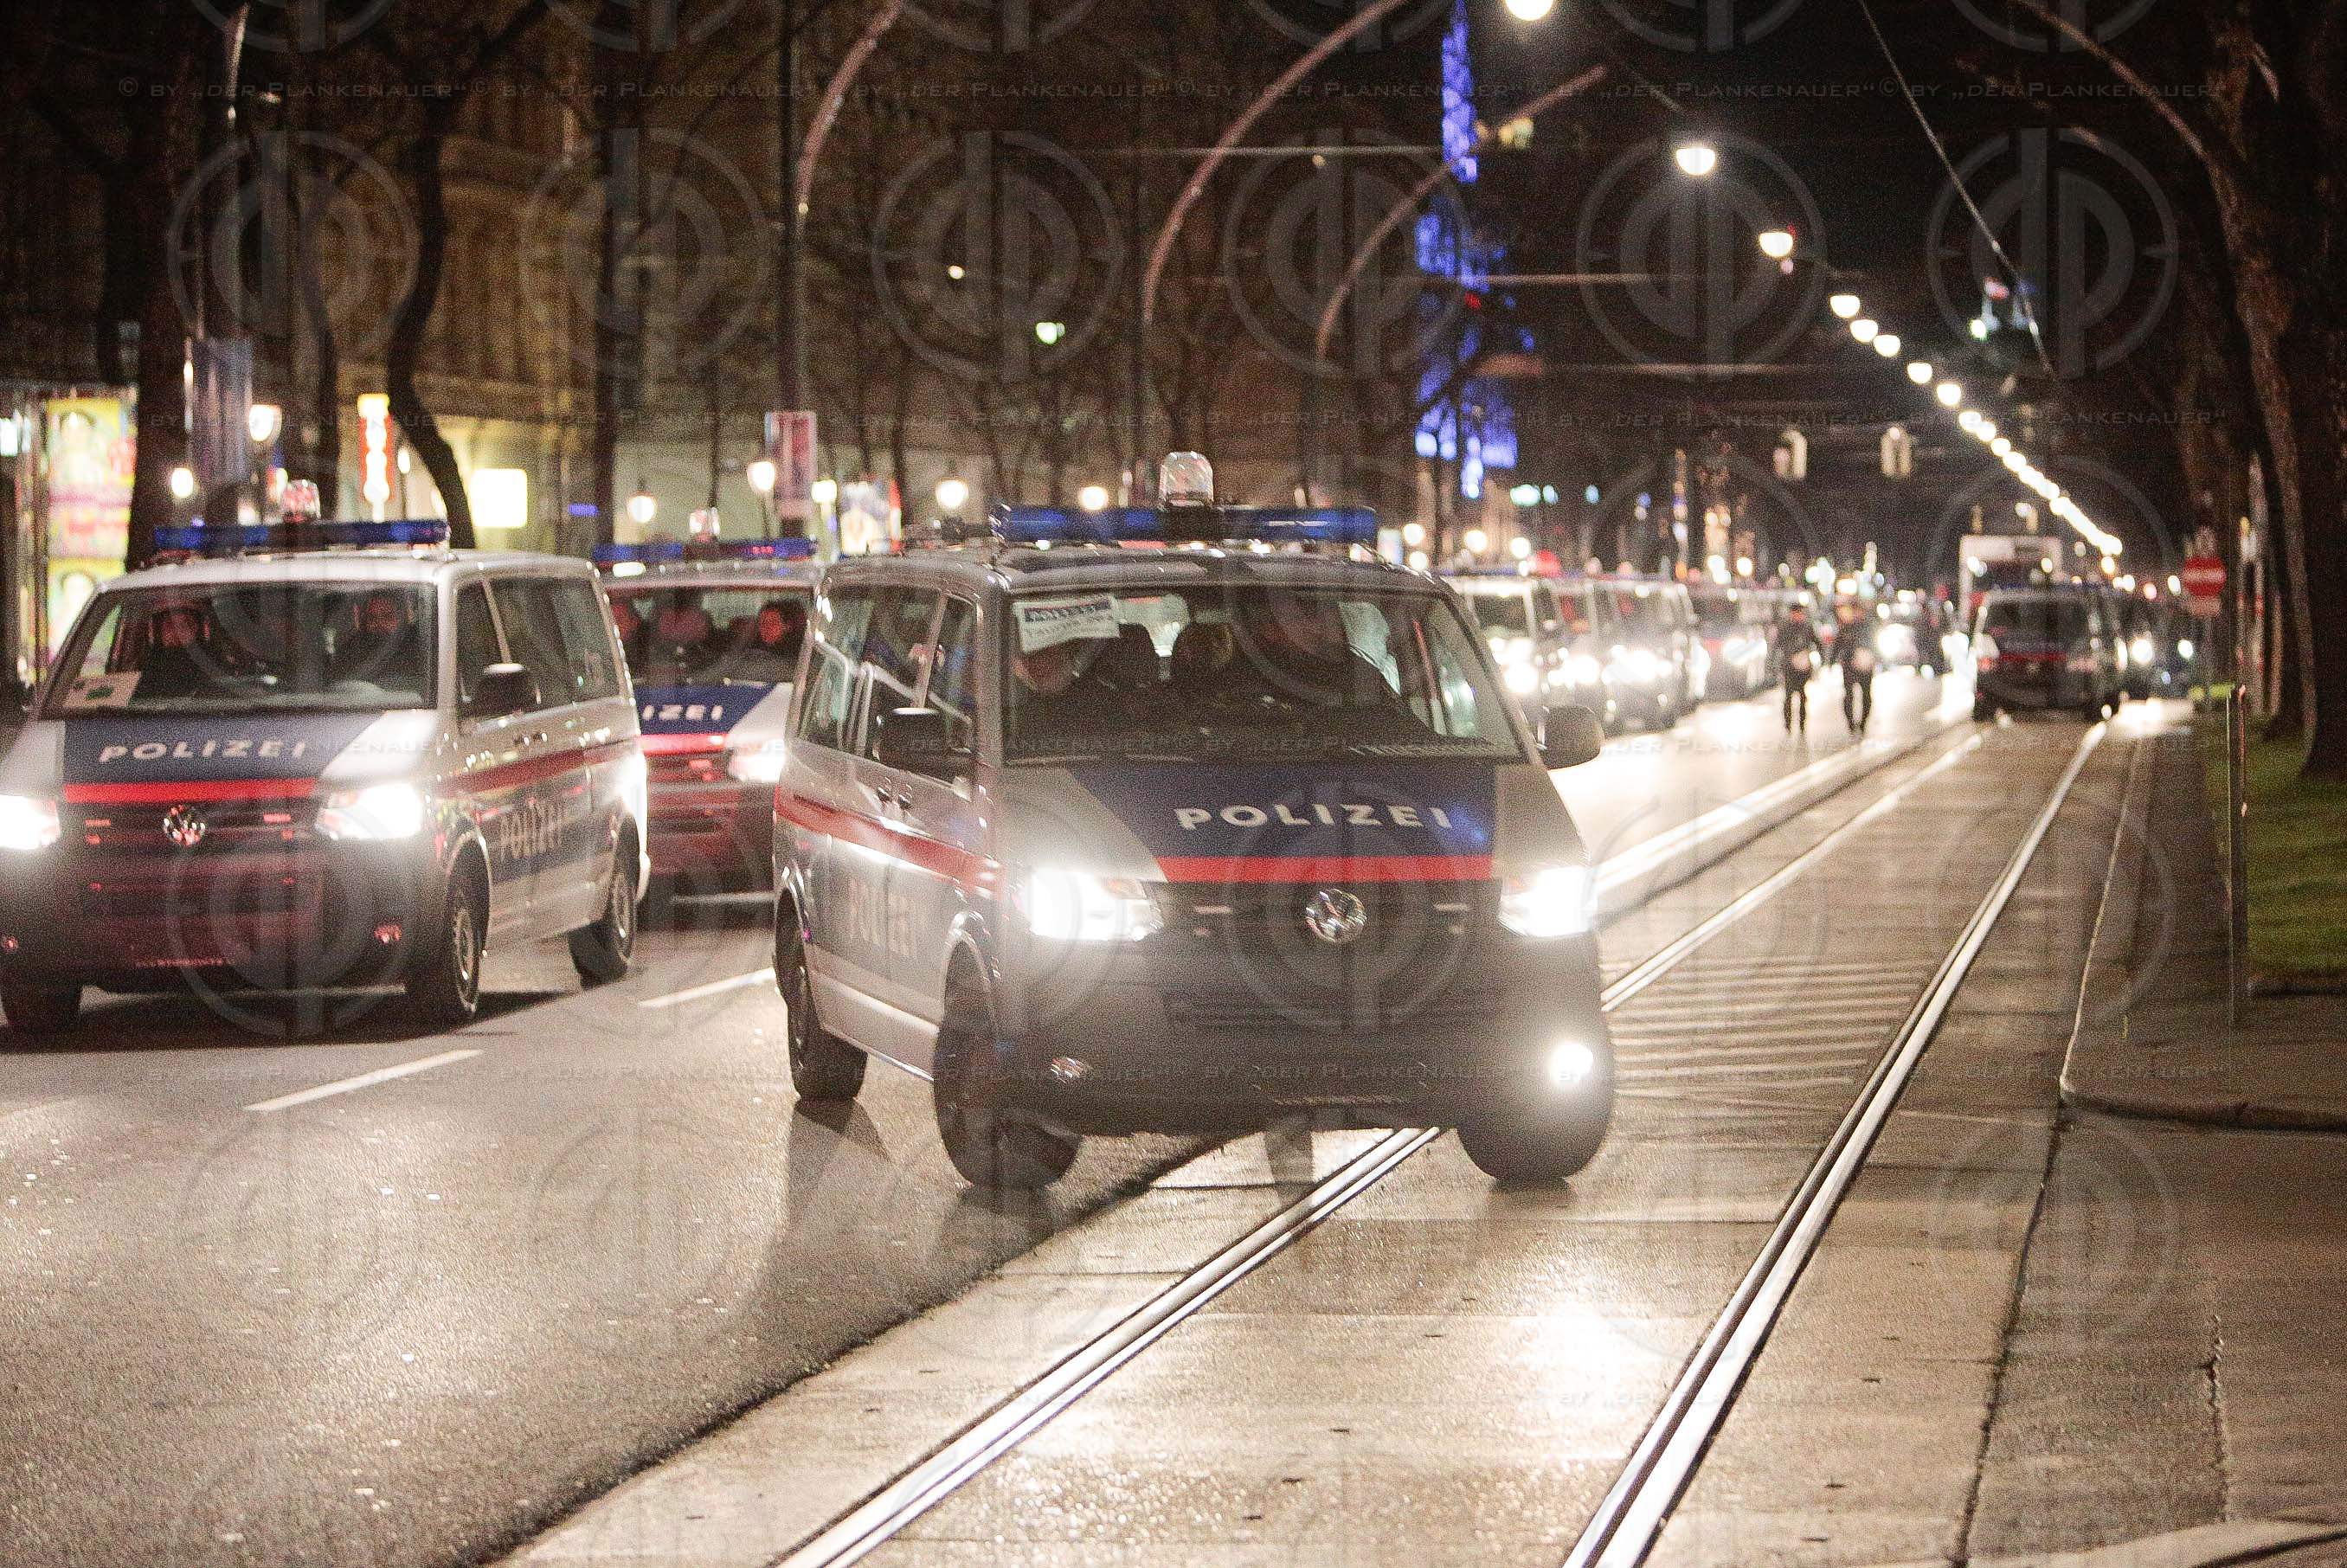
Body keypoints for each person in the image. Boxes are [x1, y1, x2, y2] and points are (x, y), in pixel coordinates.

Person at [331, 590, 419, 689]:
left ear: (402, 619)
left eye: (387, 617)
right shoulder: (349, 653)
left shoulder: (418, 651)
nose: (378, 624)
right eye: (372, 618)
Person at [1772, 603, 1822, 735]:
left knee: (1802, 695)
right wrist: (1775, 664)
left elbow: (1817, 642)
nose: (1797, 616)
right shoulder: (1785, 627)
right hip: (1789, 667)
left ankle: (1802, 725)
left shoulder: (1807, 627)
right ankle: (1788, 725)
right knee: (1788, 696)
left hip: (1803, 668)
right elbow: (1777, 645)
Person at [1834, 601, 1877, 736]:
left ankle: (1863, 722)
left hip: (1865, 667)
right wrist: (1831, 661)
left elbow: (1875, 646)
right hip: (1849, 666)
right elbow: (1838, 645)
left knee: (1866, 695)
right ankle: (1851, 723)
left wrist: (1872, 658)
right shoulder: (1847, 627)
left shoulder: (1868, 628)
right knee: (1848, 695)